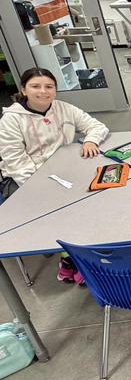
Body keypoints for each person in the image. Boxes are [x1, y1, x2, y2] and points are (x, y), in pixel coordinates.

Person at [0, 67, 109, 284]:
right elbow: (16, 163)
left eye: (49, 86)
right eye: (35, 86)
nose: (43, 91)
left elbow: (96, 126)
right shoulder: (11, 120)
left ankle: (69, 260)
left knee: (98, 196)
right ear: (23, 89)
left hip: (64, 174)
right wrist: (45, 187)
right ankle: (78, 262)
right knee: (65, 209)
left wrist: (90, 140)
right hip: (24, 181)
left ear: (56, 90)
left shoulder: (63, 109)